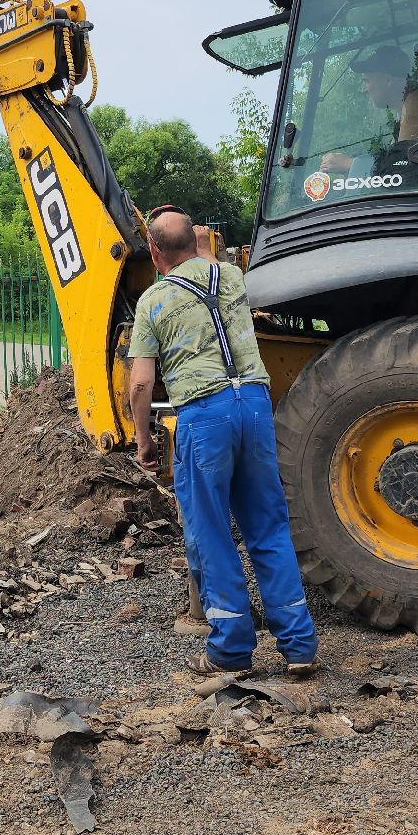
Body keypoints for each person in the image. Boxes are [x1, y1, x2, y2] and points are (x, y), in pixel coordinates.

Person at [125, 209, 319, 677]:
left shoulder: (153, 301)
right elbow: (208, 257)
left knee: (211, 532)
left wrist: (144, 440)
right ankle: (299, 646)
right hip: (254, 404)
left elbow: (140, 384)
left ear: (153, 252)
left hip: (204, 415)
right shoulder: (230, 277)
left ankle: (231, 651)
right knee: (268, 527)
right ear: (194, 239)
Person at [319, 42, 418, 177]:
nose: (364, 89)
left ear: (388, 80)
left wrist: (351, 164)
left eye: (367, 81)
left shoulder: (416, 104)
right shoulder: (402, 112)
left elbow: (403, 164)